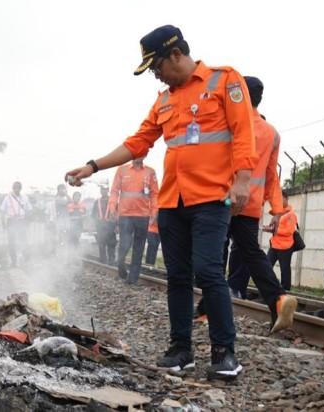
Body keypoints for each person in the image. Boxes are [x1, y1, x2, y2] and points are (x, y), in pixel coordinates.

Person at [65, 25, 255, 380]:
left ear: (176, 55)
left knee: (210, 271)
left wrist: (243, 180)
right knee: (178, 277)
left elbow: (243, 132)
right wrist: (93, 166)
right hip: (172, 202)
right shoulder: (164, 99)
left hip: (212, 198)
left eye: (156, 66)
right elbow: (138, 142)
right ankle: (181, 349)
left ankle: (224, 352)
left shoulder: (224, 80)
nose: (155, 74)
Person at [200, 76, 297, 334]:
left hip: (222, 199)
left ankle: (208, 310)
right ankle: (278, 298)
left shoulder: (230, 123)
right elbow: (271, 175)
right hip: (251, 204)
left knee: (214, 255)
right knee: (252, 254)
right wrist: (276, 209)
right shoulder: (272, 133)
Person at [108, 157, 159, 284]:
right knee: (125, 243)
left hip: (143, 215)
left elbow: (154, 194)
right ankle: (120, 264)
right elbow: (114, 191)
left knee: (139, 247)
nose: (139, 156)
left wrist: (154, 212)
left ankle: (133, 278)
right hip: (125, 214)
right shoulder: (122, 170)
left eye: (142, 153)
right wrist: (112, 206)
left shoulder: (150, 172)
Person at [266, 193, 298, 290]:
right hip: (275, 244)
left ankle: (286, 289)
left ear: (287, 199)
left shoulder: (291, 214)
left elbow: (289, 231)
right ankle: (271, 285)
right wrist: (269, 228)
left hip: (286, 246)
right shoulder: (278, 213)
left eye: (281, 199)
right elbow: (275, 226)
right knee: (266, 265)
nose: (279, 201)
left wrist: (273, 230)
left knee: (285, 269)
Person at [0, 181, 32, 267]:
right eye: (15, 188)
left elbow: (29, 210)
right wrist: (3, 222)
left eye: (18, 188)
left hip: (21, 221)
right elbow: (2, 211)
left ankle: (25, 259)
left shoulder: (25, 198)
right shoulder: (7, 198)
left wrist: (27, 221)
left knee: (24, 241)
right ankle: (13, 261)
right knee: (11, 242)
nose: (17, 189)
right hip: (11, 221)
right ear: (13, 188)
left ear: (20, 189)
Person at [92, 185, 117, 264]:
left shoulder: (113, 201)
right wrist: (95, 224)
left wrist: (117, 225)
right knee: (101, 244)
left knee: (111, 244)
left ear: (108, 190)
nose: (104, 191)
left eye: (105, 189)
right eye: (102, 189)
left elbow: (118, 214)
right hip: (100, 226)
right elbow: (93, 214)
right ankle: (103, 261)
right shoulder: (97, 202)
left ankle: (111, 261)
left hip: (111, 226)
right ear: (100, 191)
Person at [53, 184, 71, 249]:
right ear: (58, 190)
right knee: (60, 236)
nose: (62, 190)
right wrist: (66, 194)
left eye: (63, 189)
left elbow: (70, 201)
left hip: (65, 219)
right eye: (61, 189)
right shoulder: (57, 198)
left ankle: (65, 250)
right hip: (60, 220)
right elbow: (68, 202)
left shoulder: (64, 197)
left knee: (66, 236)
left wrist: (66, 194)